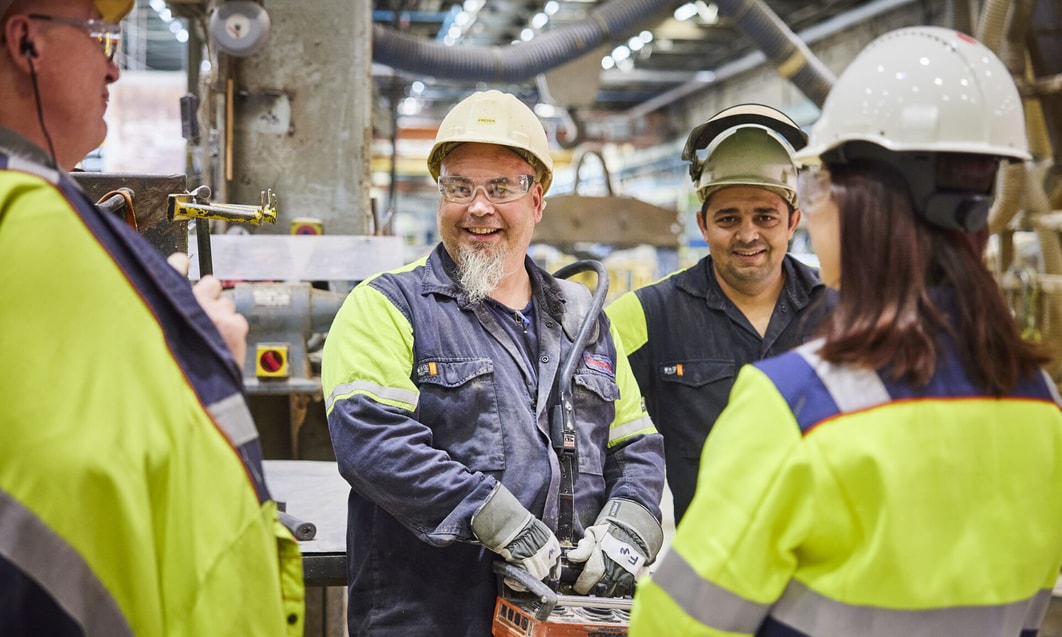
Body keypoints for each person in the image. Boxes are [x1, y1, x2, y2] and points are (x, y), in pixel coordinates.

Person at [629, 25, 1062, 637]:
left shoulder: (799, 406)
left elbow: (679, 624)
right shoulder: (1040, 403)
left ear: (857, 207)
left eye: (820, 185)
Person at [0, 1, 304, 634]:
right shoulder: (32, 222)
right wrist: (200, 351)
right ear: (26, 42)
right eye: (100, 37)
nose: (113, 71)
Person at [322, 89, 666, 636]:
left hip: (566, 619)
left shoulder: (585, 318)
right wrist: (496, 519)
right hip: (428, 617)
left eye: (500, 187)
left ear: (538, 199)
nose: (477, 206)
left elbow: (635, 443)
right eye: (459, 187)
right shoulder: (386, 306)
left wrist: (632, 524)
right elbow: (372, 442)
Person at [606, 103, 833, 523]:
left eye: (765, 217)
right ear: (703, 224)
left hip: (828, 568)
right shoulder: (646, 317)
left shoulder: (844, 310)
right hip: (709, 572)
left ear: (793, 221)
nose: (748, 234)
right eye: (729, 218)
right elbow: (585, 433)